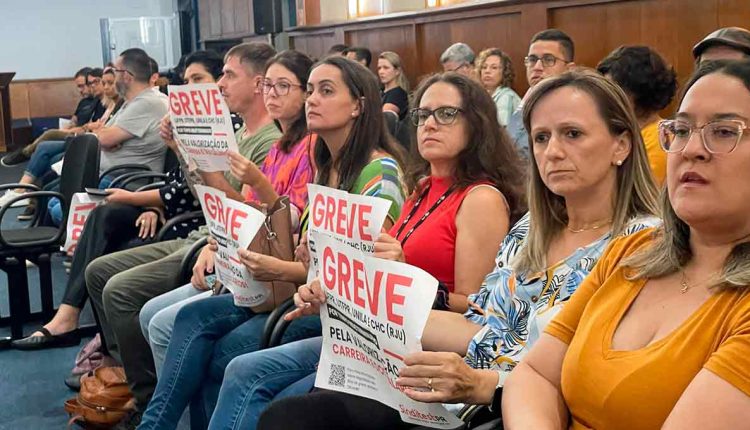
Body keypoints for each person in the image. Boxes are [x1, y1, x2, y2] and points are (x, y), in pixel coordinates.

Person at [257, 69, 660, 430]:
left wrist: (482, 384)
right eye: (541, 137)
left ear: (621, 145)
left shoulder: (640, 245)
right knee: (294, 411)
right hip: (457, 387)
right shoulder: (530, 230)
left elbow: (589, 375)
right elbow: (479, 327)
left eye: (572, 134)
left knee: (289, 406)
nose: (552, 151)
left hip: (515, 405)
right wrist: (349, 300)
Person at [197, 71, 528, 430]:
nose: (430, 124)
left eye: (446, 114)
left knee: (278, 403)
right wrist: (325, 281)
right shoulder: (422, 188)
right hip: (372, 336)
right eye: (422, 115)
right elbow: (378, 274)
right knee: (247, 371)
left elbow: (478, 312)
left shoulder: (480, 199)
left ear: (476, 124)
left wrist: (405, 275)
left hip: (421, 352)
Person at [136, 56, 406, 430]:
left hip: (340, 320)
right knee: (191, 320)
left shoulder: (379, 173)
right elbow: (303, 245)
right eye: (310, 90)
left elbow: (364, 277)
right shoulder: (327, 166)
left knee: (221, 356)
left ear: (359, 106)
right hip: (301, 295)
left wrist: (284, 265)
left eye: (326, 91)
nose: (312, 99)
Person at [503, 60, 750, 430]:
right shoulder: (633, 250)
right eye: (681, 130)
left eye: (724, 131)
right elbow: (535, 374)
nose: (691, 149)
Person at [84, 42, 280, 429]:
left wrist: (193, 165)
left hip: (218, 242)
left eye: (227, 75)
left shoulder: (268, 141)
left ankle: (148, 401)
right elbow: (205, 196)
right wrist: (182, 149)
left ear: (258, 84)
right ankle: (138, 386)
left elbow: (243, 210)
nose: (220, 84)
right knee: (100, 270)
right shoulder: (241, 133)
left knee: (125, 294)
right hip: (210, 234)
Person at [10, 51, 223, 351]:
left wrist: (146, 201)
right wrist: (153, 201)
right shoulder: (164, 115)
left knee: (93, 213)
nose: (189, 89)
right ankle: (75, 323)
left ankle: (75, 322)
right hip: (163, 199)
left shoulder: (205, 122)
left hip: (174, 209)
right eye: (186, 81)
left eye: (198, 80)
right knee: (95, 214)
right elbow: (180, 180)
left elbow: (201, 193)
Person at [0, 68, 109, 208]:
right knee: (47, 153)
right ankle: (29, 195)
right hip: (80, 136)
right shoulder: (90, 102)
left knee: (48, 139)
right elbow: (76, 121)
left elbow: (96, 129)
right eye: (89, 83)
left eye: (96, 82)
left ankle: (23, 184)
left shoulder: (107, 105)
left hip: (86, 139)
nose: (91, 87)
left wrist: (82, 128)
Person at [598, 45, 677, 184]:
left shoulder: (659, 141)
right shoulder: (628, 134)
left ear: (636, 92)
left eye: (612, 91)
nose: (604, 98)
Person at [1, 67, 105, 167]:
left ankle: (25, 154)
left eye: (83, 85)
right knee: (47, 140)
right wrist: (67, 127)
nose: (80, 90)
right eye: (79, 86)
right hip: (75, 130)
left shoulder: (99, 102)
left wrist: (69, 130)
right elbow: (74, 120)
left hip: (83, 133)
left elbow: (91, 125)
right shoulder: (84, 102)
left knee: (50, 134)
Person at [506, 29, 575, 161]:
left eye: (548, 60)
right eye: (532, 60)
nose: (537, 67)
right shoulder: (525, 101)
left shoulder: (576, 110)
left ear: (569, 69)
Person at [476, 47, 521, 127]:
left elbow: (501, 128)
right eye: (484, 67)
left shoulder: (506, 96)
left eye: (494, 68)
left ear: (505, 72)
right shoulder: (484, 95)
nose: (487, 71)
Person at [377, 51, 409, 120]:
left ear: (397, 71)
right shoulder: (380, 92)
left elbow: (382, 119)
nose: (381, 72)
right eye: (379, 68)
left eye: (386, 68)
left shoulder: (398, 94)